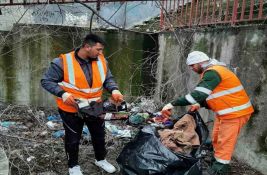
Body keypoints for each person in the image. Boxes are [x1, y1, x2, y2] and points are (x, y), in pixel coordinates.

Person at [41, 34, 124, 175]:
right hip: (71, 109)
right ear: (87, 46)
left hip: (95, 107)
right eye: (98, 49)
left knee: (99, 135)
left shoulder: (101, 61)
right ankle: (73, 167)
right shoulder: (62, 62)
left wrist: (114, 90)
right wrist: (63, 94)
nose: (101, 53)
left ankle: (101, 159)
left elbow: (108, 79)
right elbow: (46, 81)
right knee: (73, 139)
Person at [161, 51, 254, 175]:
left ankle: (220, 169)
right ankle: (216, 160)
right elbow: (214, 96)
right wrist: (199, 104)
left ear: (200, 63)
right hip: (227, 112)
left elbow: (196, 95)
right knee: (216, 137)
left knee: (224, 142)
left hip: (235, 114)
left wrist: (171, 104)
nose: (191, 68)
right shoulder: (213, 71)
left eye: (192, 65)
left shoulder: (213, 73)